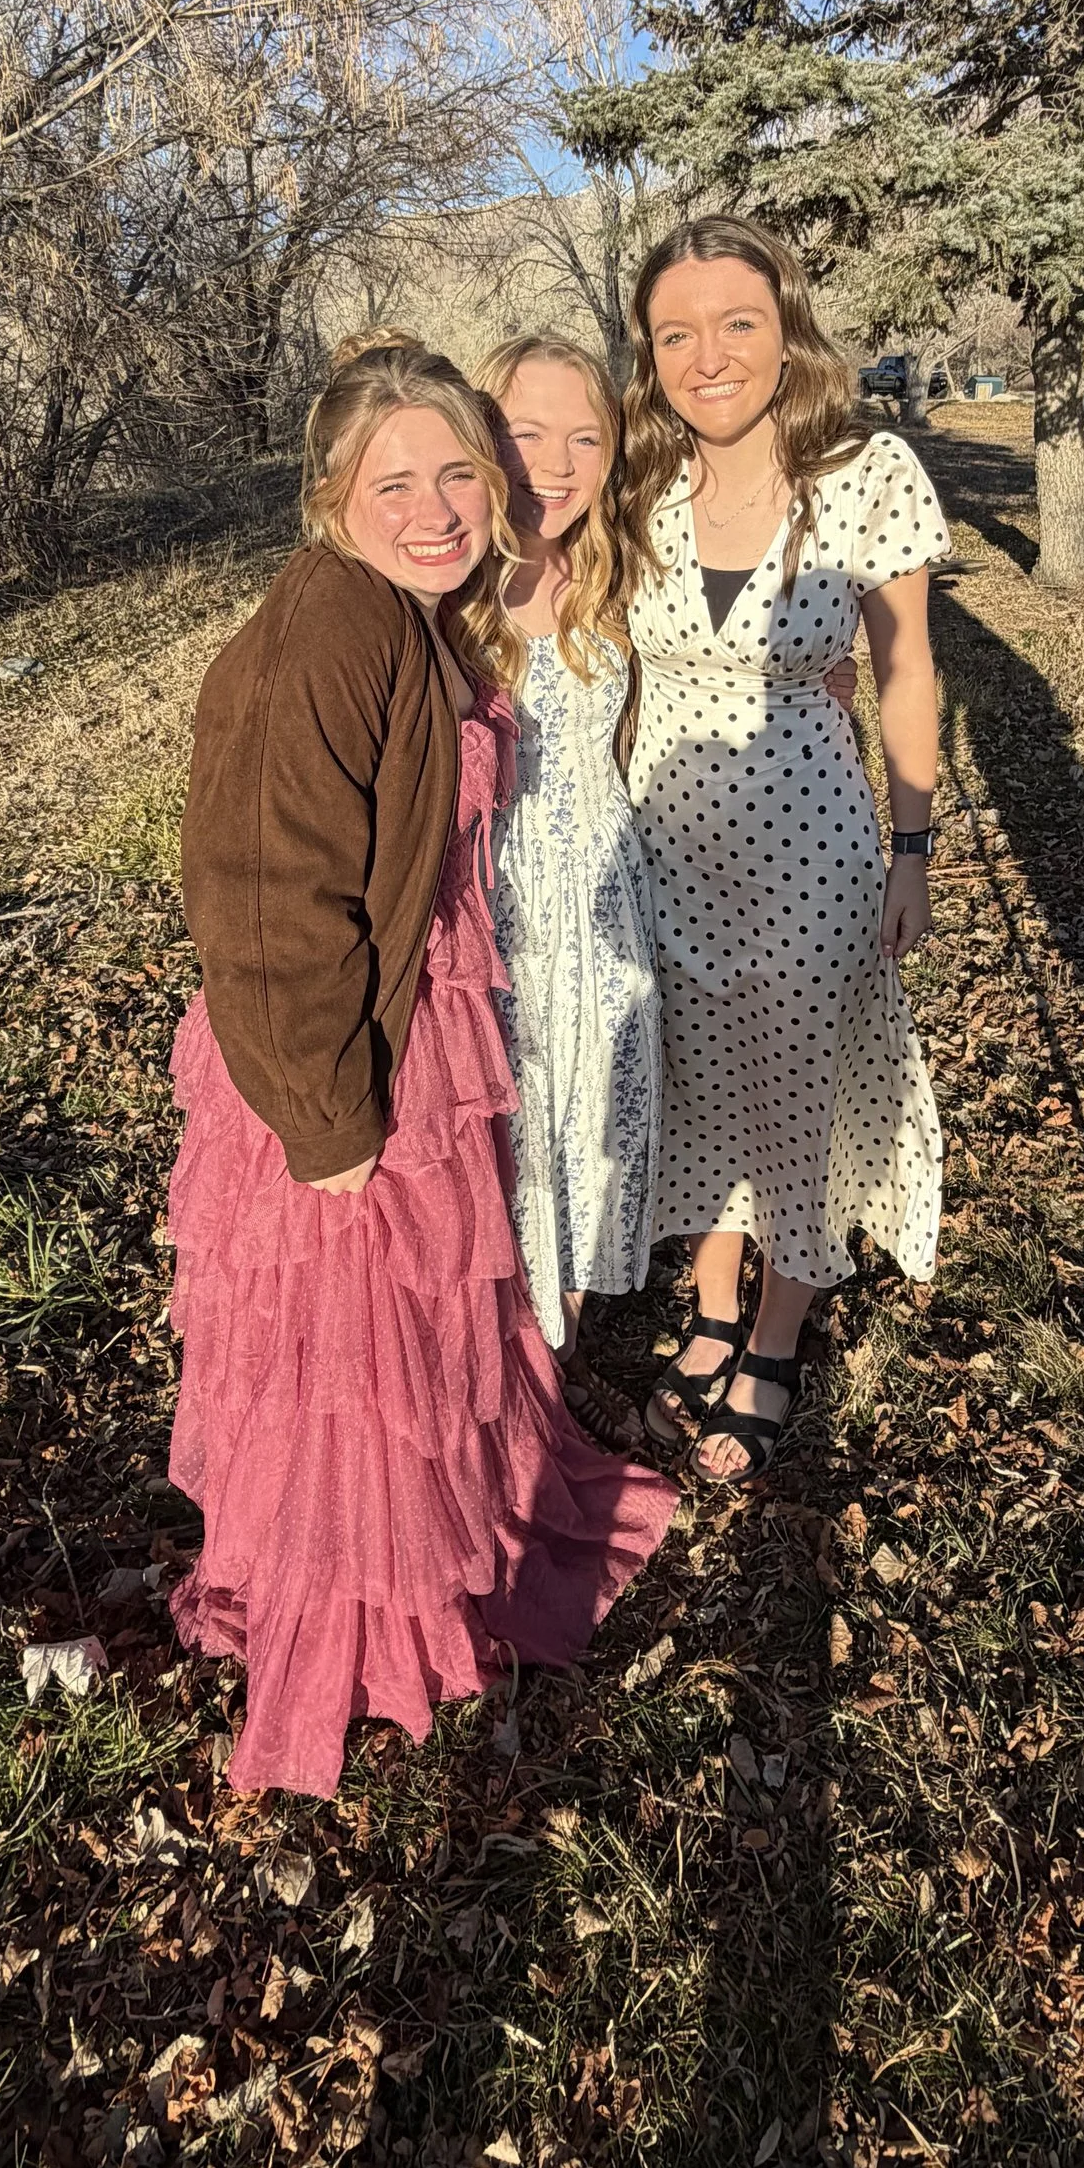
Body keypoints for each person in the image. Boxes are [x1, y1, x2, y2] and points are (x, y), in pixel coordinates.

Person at [161, 334, 676, 1798]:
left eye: (461, 469)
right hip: (336, 1064)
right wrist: (328, 1121)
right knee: (353, 1365)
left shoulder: (404, 614)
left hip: (414, 1021)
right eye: (396, 479)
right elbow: (261, 898)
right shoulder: (327, 626)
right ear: (330, 492)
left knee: (415, 1352)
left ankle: (437, 1565)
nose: (439, 503)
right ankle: (356, 1622)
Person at [618, 219, 948, 1483]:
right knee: (691, 1077)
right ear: (649, 356)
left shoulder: (866, 472)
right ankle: (708, 1309)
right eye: (676, 333)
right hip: (661, 845)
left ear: (787, 327)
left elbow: (905, 668)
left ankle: (777, 1329)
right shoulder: (638, 483)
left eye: (736, 322)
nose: (709, 356)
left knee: (797, 1086)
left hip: (810, 845)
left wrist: (911, 847)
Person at [483, 334, 661, 1450]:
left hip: (603, 896)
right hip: (492, 904)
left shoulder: (620, 572)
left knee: (599, 1126)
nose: (553, 460)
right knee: (507, 1137)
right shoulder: (448, 578)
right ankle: (501, 1365)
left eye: (582, 437)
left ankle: (563, 1360)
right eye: (524, 432)